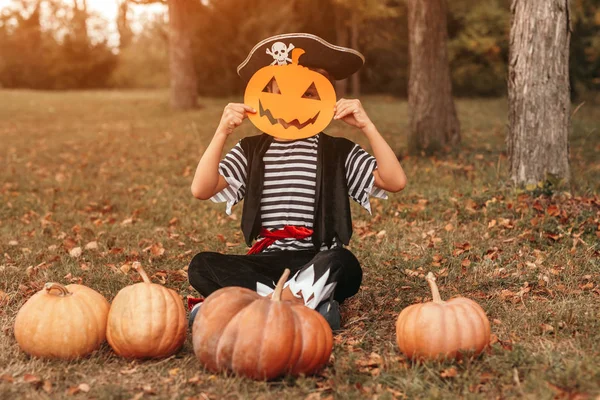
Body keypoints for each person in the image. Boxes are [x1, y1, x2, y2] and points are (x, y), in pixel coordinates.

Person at [187, 33, 407, 330]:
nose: (294, 104)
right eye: (280, 93)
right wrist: (221, 132)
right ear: (264, 94)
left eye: (309, 94)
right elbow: (201, 189)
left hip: (316, 259)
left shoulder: (337, 152)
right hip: (266, 263)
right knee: (202, 265)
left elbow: (394, 181)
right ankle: (305, 308)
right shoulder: (252, 151)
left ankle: (249, 307)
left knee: (344, 262)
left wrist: (368, 126)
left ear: (326, 99)